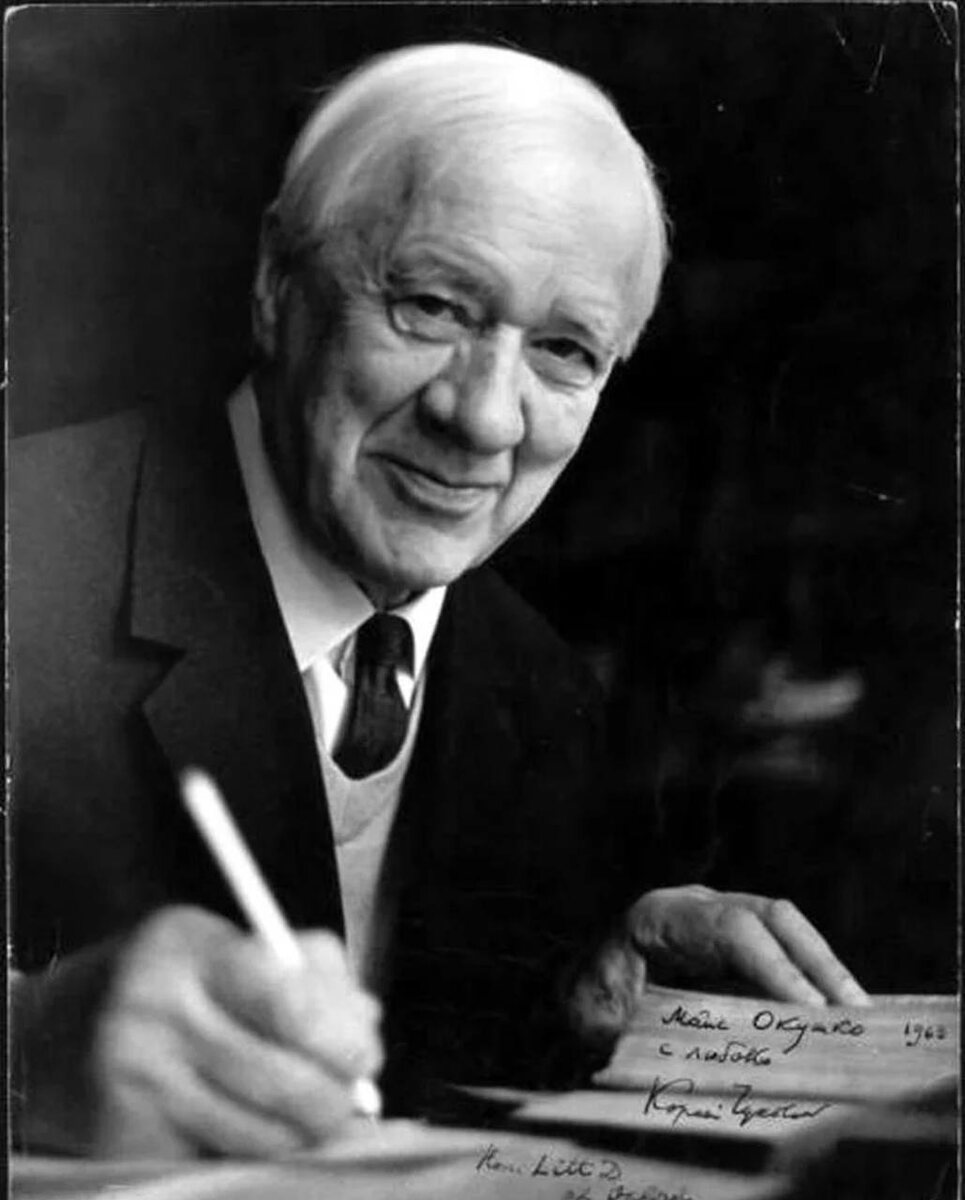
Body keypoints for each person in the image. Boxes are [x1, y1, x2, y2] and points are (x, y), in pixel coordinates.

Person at [9, 41, 869, 1161]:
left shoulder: (535, 685)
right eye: (431, 305)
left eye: (563, 351)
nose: (485, 419)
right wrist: (23, 1047)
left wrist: (579, 996)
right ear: (276, 286)